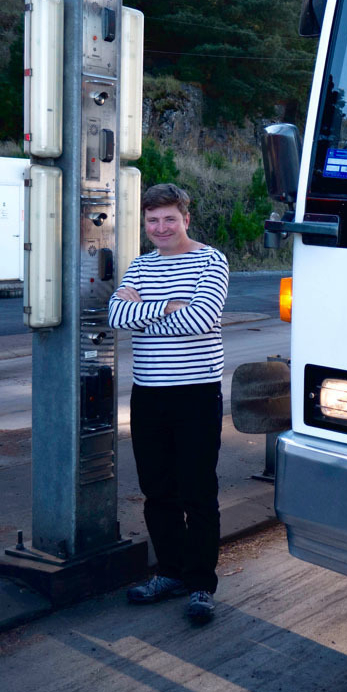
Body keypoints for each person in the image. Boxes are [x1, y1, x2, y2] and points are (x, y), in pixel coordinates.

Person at [108, 183, 229, 625]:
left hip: (196, 394)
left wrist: (146, 310)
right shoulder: (140, 265)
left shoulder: (210, 261)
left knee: (198, 492)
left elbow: (201, 318)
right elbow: (115, 317)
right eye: (153, 221)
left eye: (169, 219)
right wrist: (169, 307)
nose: (160, 228)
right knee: (158, 491)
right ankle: (171, 574)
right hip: (149, 396)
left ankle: (200, 585)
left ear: (186, 219)